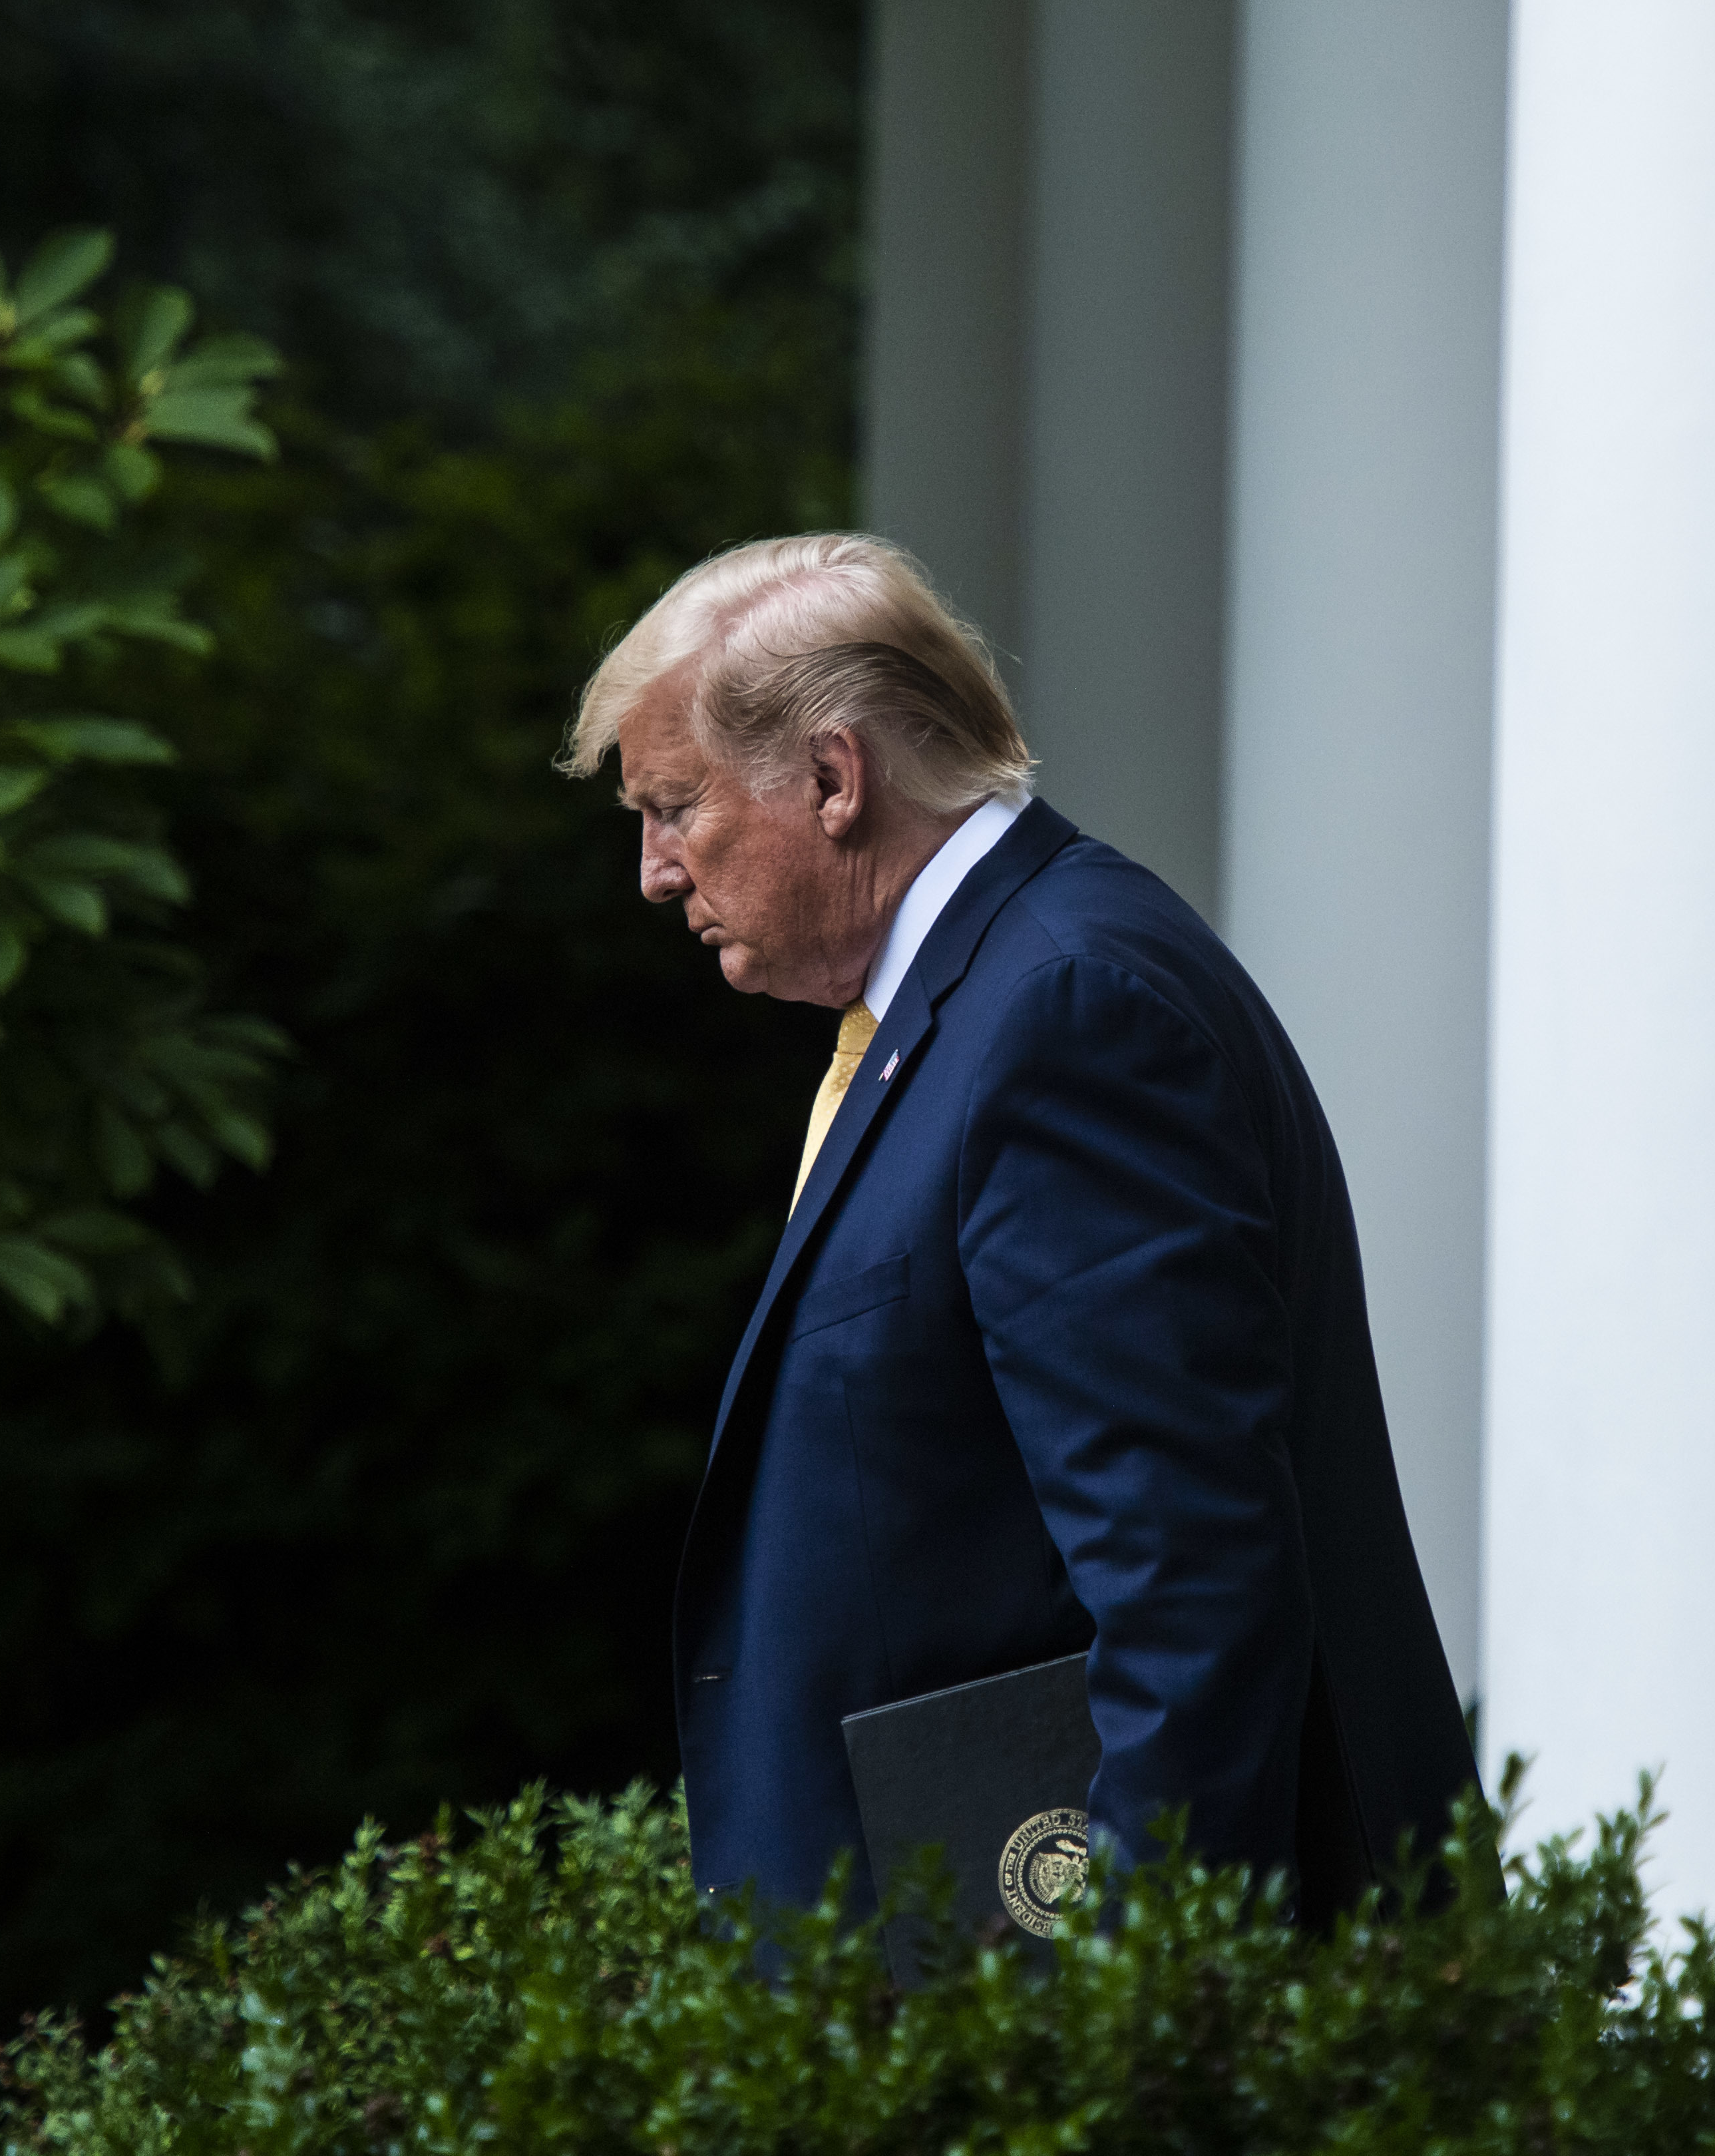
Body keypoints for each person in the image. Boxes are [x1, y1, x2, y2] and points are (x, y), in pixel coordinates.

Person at [560, 531, 1477, 1926]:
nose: (653, 871)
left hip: (1066, 2003)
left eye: (674, 806)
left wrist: (1133, 2026)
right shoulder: (992, 992)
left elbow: (1187, 1581)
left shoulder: (1063, 1010)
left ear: (829, 778)